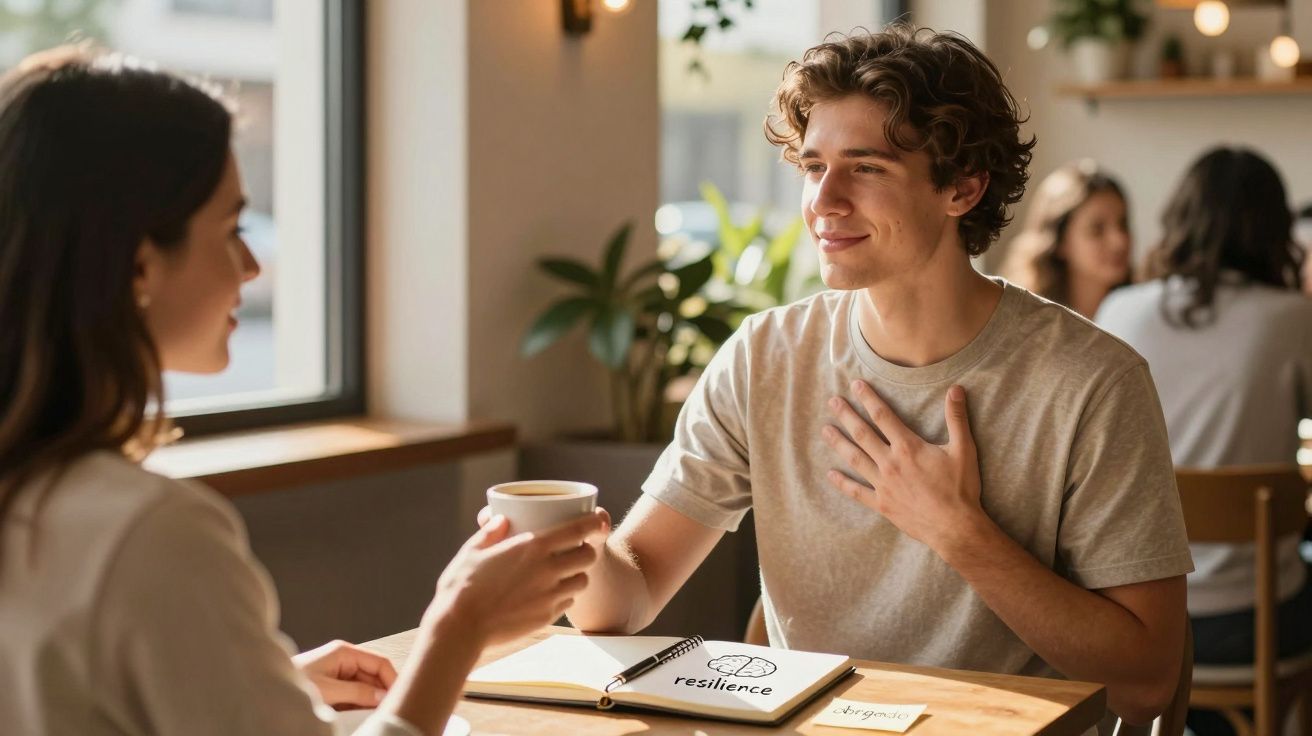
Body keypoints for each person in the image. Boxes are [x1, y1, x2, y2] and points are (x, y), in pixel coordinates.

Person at [563, 26, 1193, 730]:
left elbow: (1147, 682)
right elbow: (630, 594)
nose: (824, 201)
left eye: (865, 168)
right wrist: (569, 548)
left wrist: (959, 532)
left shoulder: (1093, 382)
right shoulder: (764, 358)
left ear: (963, 187)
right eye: (812, 167)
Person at [0, 46, 606, 736]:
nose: (252, 265)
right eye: (231, 231)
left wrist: (263, 683)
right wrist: (456, 630)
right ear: (140, 264)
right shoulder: (147, 536)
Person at [1096, 147, 1312, 736]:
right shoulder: (1293, 318)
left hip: (1129, 619)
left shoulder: (1119, 309)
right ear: (1275, 231)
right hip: (1257, 622)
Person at [999, 160, 1133, 319]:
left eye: (1123, 224)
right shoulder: (1026, 320)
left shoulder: (1143, 316)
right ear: (1060, 241)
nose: (1120, 241)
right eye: (1097, 229)